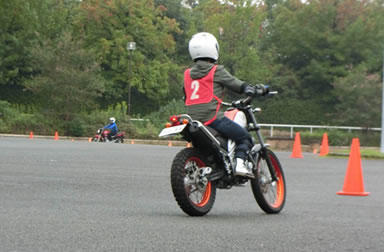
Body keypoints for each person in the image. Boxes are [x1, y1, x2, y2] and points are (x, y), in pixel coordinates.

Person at [184, 32, 268, 177]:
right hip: (212, 118)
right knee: (245, 137)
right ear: (213, 49)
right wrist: (251, 89)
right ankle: (240, 165)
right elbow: (236, 84)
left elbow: (186, 95)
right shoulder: (216, 70)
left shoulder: (187, 74)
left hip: (192, 120)